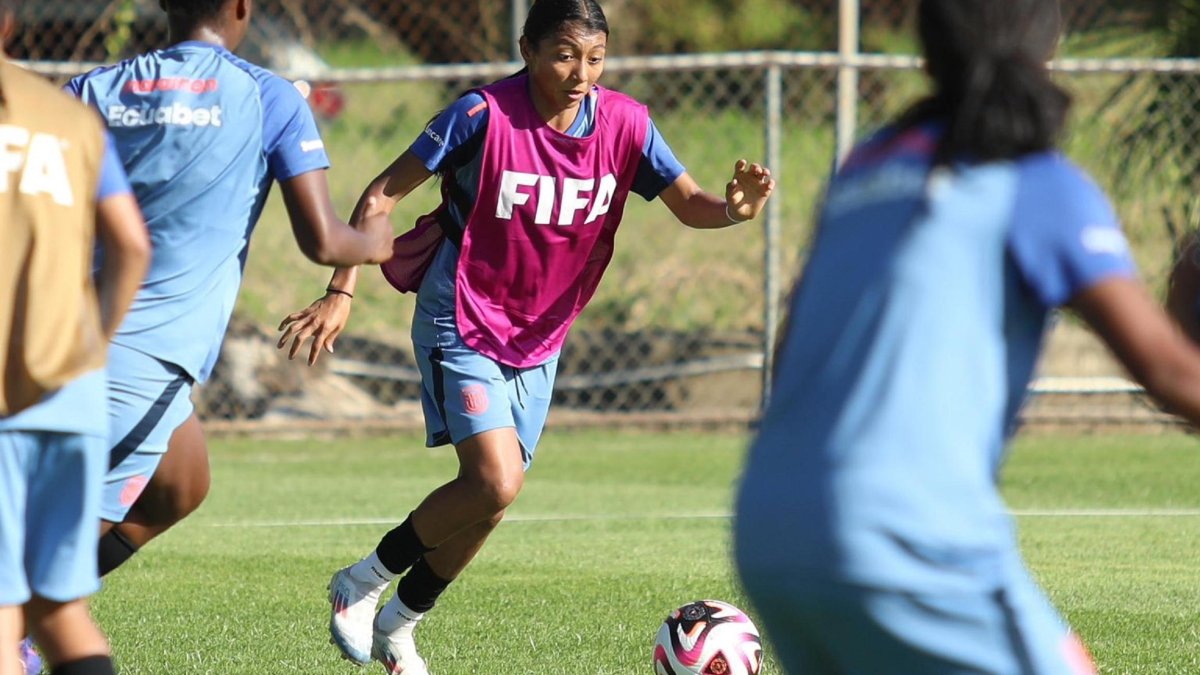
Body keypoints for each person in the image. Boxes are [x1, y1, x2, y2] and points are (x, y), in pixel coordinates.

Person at [276, 0, 774, 671]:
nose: (580, 74)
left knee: (489, 501)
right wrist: (341, 291)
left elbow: (689, 204)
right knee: (496, 479)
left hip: (541, 335)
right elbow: (380, 197)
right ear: (528, 49)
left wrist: (734, 210)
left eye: (595, 58)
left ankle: (400, 623)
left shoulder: (627, 124)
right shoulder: (482, 115)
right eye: (564, 55)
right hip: (462, 312)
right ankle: (362, 581)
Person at [734, 1, 1200, 673]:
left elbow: (793, 347)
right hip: (900, 529)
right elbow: (1168, 370)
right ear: (1049, 47)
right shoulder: (1036, 183)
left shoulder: (866, 168)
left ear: (929, 55)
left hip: (769, 525)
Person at [63, 0, 395, 583]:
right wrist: (375, 242)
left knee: (180, 484)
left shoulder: (93, 89)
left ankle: (36, 615)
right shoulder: (270, 97)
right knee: (38, 560)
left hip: (62, 332)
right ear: (243, 6)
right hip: (143, 354)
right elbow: (323, 241)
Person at [0, 0, 151, 672]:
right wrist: (92, 347)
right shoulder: (69, 119)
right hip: (71, 391)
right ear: (9, 27)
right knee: (58, 610)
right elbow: (132, 246)